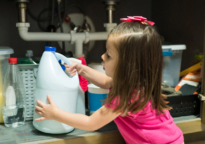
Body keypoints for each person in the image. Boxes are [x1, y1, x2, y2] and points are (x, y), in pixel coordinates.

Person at [34, 16, 184, 144]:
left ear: (128, 66)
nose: (102, 57)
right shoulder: (137, 83)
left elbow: (91, 123)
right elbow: (105, 82)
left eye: (109, 55)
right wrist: (82, 69)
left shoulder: (127, 95)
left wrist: (55, 114)